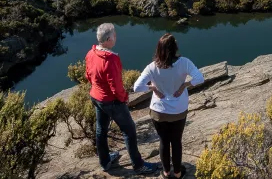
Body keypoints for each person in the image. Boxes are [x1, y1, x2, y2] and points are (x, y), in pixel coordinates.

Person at [85, 23, 159, 175]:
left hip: (96, 97)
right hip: (112, 102)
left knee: (101, 130)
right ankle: (139, 166)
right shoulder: (111, 59)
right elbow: (116, 86)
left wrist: (98, 89)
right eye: (115, 35)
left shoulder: (91, 53)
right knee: (129, 131)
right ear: (109, 39)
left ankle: (105, 162)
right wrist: (124, 98)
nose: (116, 37)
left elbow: (88, 75)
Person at [133, 33, 205, 179]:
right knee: (176, 141)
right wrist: (185, 84)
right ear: (175, 48)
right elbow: (200, 78)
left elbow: (136, 87)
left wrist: (153, 88)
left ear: (158, 49)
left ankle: (166, 173)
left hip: (158, 111)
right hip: (179, 111)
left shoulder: (152, 67)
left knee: (164, 141)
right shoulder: (184, 63)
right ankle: (178, 173)